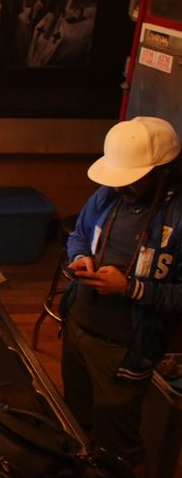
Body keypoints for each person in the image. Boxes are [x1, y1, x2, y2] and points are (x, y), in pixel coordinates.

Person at [60, 116, 182, 472]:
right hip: (78, 325)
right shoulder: (108, 194)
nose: (122, 187)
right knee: (75, 419)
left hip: (125, 348)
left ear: (162, 172)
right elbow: (79, 235)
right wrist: (80, 257)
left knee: (119, 442)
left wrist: (129, 288)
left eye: (133, 179)